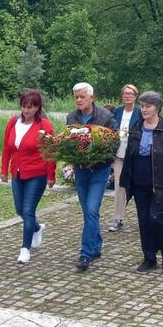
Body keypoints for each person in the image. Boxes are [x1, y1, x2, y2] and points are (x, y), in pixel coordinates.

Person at [119, 91, 163, 272]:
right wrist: (125, 181)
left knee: (157, 218)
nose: (144, 109)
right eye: (142, 106)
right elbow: (129, 156)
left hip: (162, 183)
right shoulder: (136, 127)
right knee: (144, 221)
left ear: (157, 108)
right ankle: (149, 258)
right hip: (139, 182)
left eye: (148, 106)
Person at [66, 82, 117, 270]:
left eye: (82, 97)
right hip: (81, 170)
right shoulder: (72, 117)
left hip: (99, 170)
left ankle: (85, 254)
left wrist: (96, 158)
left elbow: (114, 144)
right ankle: (96, 246)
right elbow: (68, 142)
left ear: (92, 98)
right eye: (76, 97)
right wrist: (75, 157)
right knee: (88, 212)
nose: (79, 100)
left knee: (92, 209)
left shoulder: (105, 117)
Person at [1, 89, 56, 264]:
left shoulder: (44, 126)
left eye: (30, 107)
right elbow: (7, 148)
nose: (26, 110)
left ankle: (25, 248)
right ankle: (37, 228)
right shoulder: (13, 122)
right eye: (23, 106)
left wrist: (51, 175)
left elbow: (50, 152)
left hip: (37, 174)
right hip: (17, 173)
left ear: (37, 107)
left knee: (28, 210)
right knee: (19, 209)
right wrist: (4, 170)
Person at [108, 85, 141, 232]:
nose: (127, 96)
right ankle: (118, 218)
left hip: (136, 154)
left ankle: (143, 217)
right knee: (119, 187)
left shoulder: (140, 112)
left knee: (139, 186)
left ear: (135, 96)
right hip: (119, 154)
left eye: (130, 93)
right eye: (125, 93)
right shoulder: (117, 111)